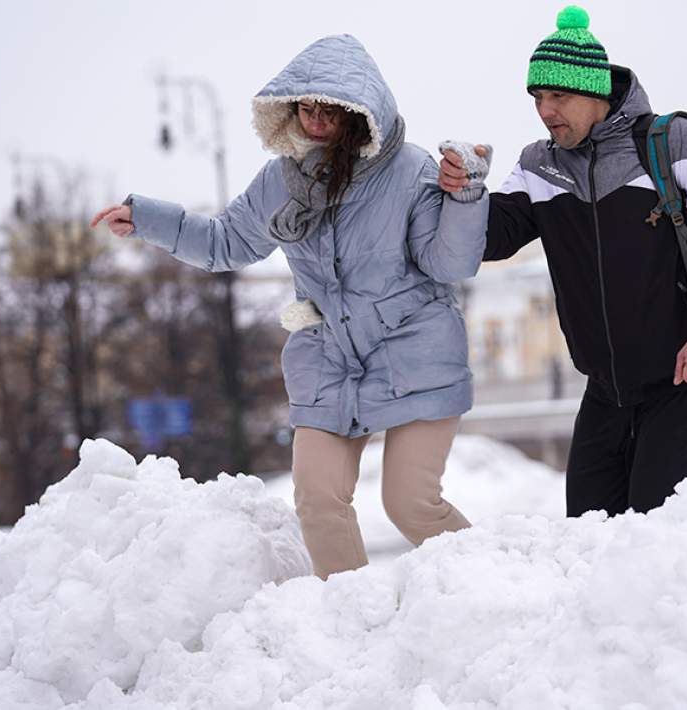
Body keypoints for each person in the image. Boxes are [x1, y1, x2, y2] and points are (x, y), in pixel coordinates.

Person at [92, 35, 490, 579]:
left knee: (409, 502)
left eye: (331, 110)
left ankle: (498, 589)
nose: (317, 121)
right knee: (319, 502)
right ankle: (352, 625)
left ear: (361, 113)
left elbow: (449, 264)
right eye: (306, 108)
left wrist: (464, 196)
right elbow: (225, 242)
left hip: (414, 353)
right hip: (328, 359)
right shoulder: (282, 179)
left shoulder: (411, 173)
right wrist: (147, 220)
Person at [439, 6, 687, 516]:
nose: (546, 111)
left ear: (596, 92)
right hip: (603, 391)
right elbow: (490, 239)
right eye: (538, 98)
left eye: (559, 96)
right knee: (587, 539)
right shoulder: (539, 165)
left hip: (683, 381)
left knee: (654, 541)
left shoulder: (672, 142)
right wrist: (466, 190)